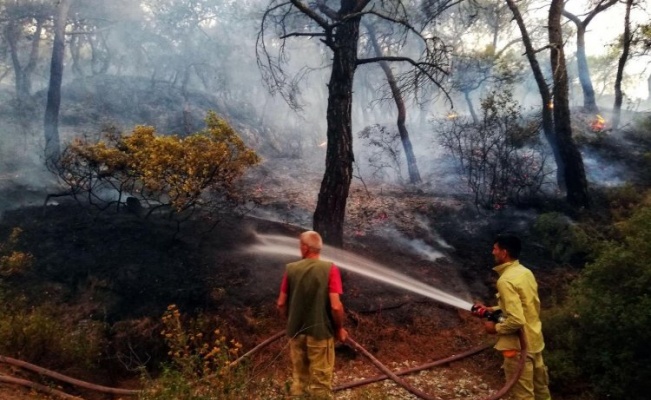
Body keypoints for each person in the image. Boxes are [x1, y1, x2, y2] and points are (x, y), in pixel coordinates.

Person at [473, 234, 552, 400]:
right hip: (535, 342)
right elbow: (524, 305)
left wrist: (495, 328)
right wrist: (491, 309)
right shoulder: (525, 273)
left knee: (523, 396)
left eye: (495, 248)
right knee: (541, 391)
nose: (492, 252)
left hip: (517, 348)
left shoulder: (505, 281)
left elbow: (516, 320)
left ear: (504, 252)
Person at [276, 230, 348, 399]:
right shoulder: (330, 269)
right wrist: (339, 329)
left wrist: (291, 320)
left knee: (300, 380)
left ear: (306, 248)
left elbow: (280, 303)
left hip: (296, 333)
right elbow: (336, 307)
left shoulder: (291, 269)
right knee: (320, 382)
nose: (299, 249)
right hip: (321, 334)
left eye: (300, 245)